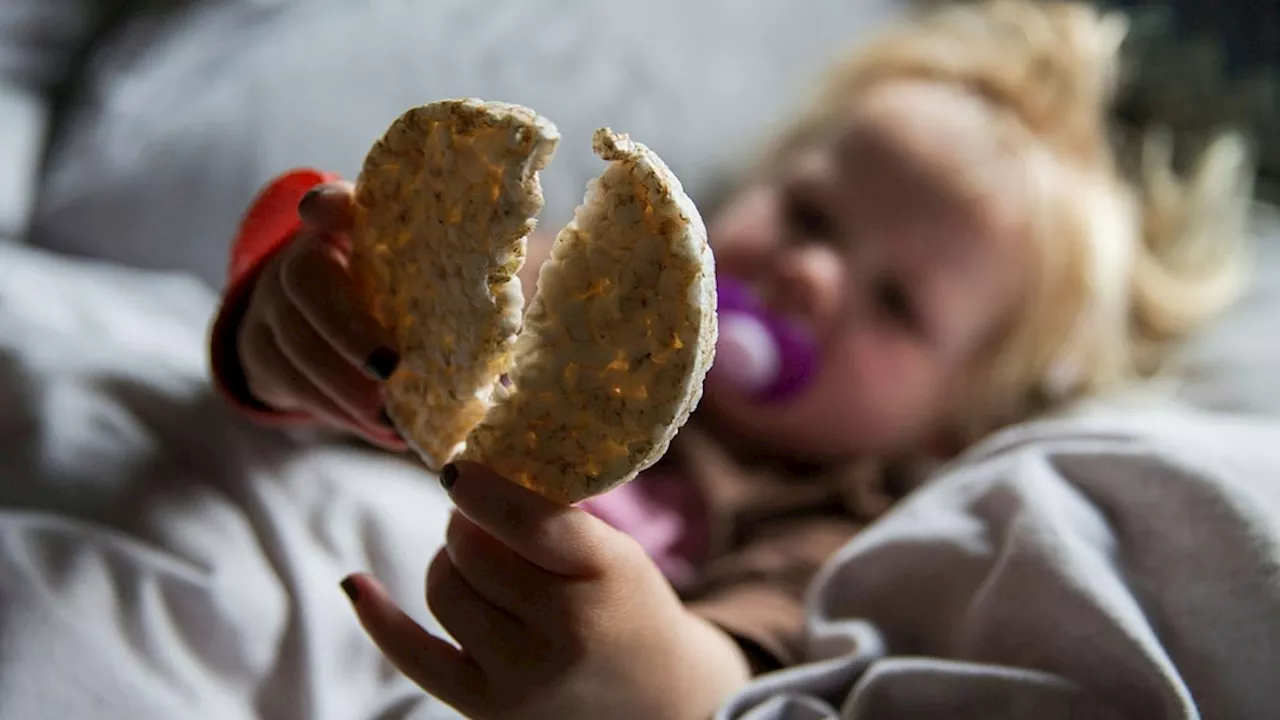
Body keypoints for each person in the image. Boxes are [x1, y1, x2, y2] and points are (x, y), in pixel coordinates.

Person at [206, 0, 1254, 717]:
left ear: (947, 422)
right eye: (807, 213)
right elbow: (375, 298)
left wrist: (648, 674)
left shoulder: (832, 521)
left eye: (894, 301)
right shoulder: (546, 295)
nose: (808, 273)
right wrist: (293, 326)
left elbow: (745, 668)